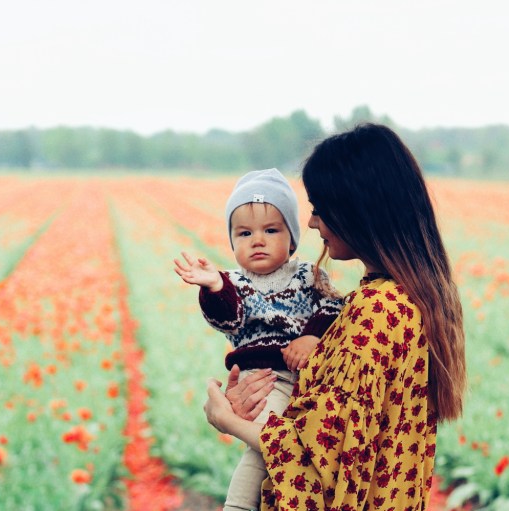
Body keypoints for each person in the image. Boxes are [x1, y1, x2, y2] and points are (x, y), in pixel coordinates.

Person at [203, 124, 466, 510]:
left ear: (356, 209)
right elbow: (339, 430)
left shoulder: (376, 313)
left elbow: (320, 459)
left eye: (319, 208)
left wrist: (226, 419)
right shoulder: (404, 300)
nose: (312, 223)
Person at [173, 168, 344, 511]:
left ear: (292, 239)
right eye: (245, 233)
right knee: (267, 445)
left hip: (303, 374)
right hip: (264, 378)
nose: (258, 240)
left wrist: (311, 336)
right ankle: (238, 505)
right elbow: (227, 318)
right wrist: (214, 287)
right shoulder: (233, 284)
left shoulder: (309, 275)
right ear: (233, 242)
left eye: (271, 230)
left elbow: (333, 306)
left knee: (274, 448)